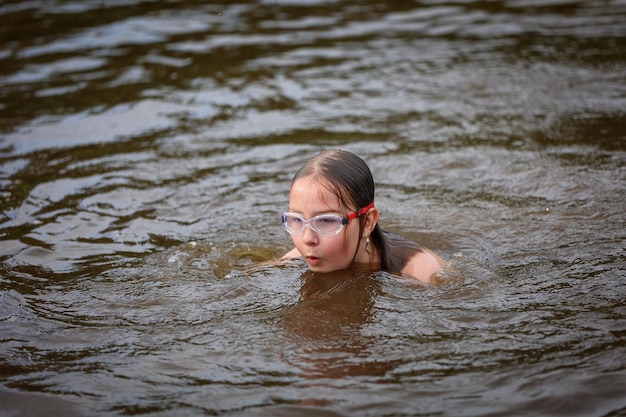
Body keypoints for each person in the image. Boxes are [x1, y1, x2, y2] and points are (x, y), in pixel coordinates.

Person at [281, 149, 444, 284]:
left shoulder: (422, 272)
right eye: (297, 219)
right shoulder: (298, 256)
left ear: (367, 223)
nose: (307, 239)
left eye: (326, 220)